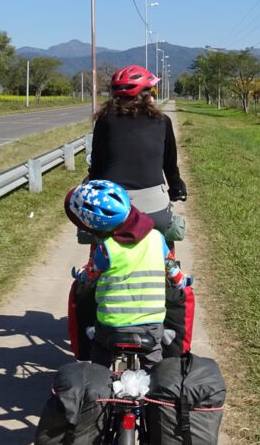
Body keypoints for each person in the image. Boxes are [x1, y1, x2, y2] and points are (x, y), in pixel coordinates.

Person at [65, 179, 189, 368]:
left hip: (112, 324)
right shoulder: (157, 239)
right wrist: (182, 281)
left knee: (99, 355)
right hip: (152, 325)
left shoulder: (106, 248)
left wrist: (81, 276)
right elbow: (172, 271)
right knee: (154, 364)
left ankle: (101, 381)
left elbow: (90, 274)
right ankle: (156, 389)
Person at [88, 65, 187, 238]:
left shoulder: (104, 121)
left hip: (113, 207)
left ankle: (95, 262)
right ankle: (168, 263)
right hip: (154, 209)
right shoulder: (162, 121)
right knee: (164, 233)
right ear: (147, 95)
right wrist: (177, 187)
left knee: (101, 240)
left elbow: (97, 164)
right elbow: (169, 165)